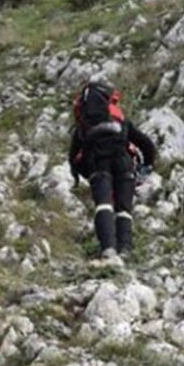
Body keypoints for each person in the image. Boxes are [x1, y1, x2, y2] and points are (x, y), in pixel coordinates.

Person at [68, 80, 158, 259]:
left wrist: (84, 174)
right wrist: (147, 166)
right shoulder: (120, 118)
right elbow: (146, 144)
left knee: (103, 205)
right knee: (124, 209)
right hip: (123, 161)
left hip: (97, 164)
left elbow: (73, 158)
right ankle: (125, 249)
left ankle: (108, 249)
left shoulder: (84, 124)